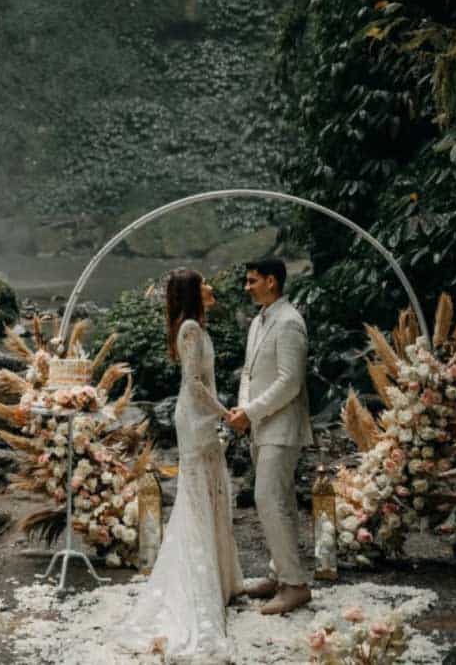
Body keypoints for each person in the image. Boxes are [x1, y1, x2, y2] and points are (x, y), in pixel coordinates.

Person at [119, 268, 243, 662]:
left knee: (211, 490)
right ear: (194, 292)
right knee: (196, 497)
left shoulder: (193, 326)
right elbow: (193, 384)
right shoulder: (189, 328)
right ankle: (197, 585)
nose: (210, 286)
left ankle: (220, 580)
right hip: (196, 418)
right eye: (204, 282)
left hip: (202, 417)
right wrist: (225, 413)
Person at [226, 257, 313, 615]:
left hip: (282, 426)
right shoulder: (260, 321)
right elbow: (249, 372)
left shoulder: (290, 322)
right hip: (262, 425)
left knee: (268, 499)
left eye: (252, 281)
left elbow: (289, 381)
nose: (247, 287)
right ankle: (280, 574)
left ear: (272, 282)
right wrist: (242, 410)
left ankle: (296, 585)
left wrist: (252, 411)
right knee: (282, 501)